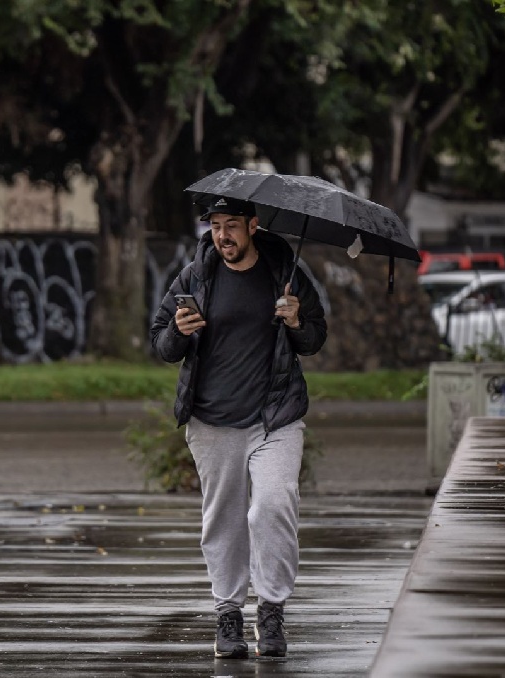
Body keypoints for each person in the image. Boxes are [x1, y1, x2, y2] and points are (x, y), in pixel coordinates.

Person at [149, 195, 327, 660]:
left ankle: (271, 609)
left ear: (252, 225)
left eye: (231, 225)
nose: (222, 235)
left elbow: (315, 337)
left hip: (275, 417)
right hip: (212, 420)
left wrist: (297, 321)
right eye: (215, 226)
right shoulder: (194, 277)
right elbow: (161, 343)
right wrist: (179, 331)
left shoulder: (285, 273)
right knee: (223, 520)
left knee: (273, 505)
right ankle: (228, 614)